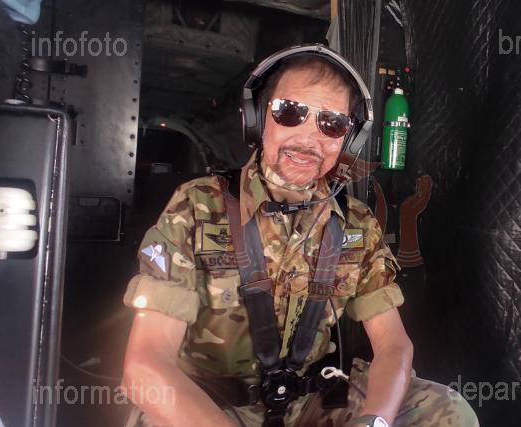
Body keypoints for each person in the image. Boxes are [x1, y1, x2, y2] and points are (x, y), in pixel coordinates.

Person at [121, 45, 478, 427]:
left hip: (312, 401)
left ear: (348, 138)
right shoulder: (197, 205)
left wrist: (373, 423)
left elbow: (393, 346)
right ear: (257, 118)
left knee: (447, 413)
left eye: (332, 123)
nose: (309, 138)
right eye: (289, 112)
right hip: (211, 406)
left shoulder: (356, 223)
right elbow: (145, 365)